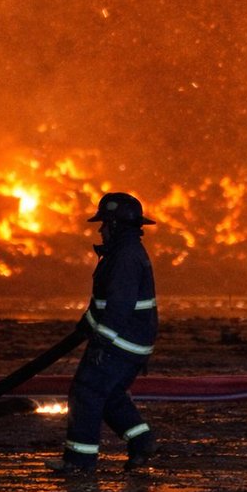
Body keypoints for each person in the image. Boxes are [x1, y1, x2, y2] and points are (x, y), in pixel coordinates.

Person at [49, 192, 159, 476]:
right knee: (109, 395)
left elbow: (119, 305)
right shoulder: (124, 252)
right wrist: (83, 329)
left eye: (104, 223)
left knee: (86, 392)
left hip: (121, 341)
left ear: (115, 224)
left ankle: (79, 462)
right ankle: (142, 441)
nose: (100, 230)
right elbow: (102, 304)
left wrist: (101, 341)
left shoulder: (124, 257)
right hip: (132, 340)